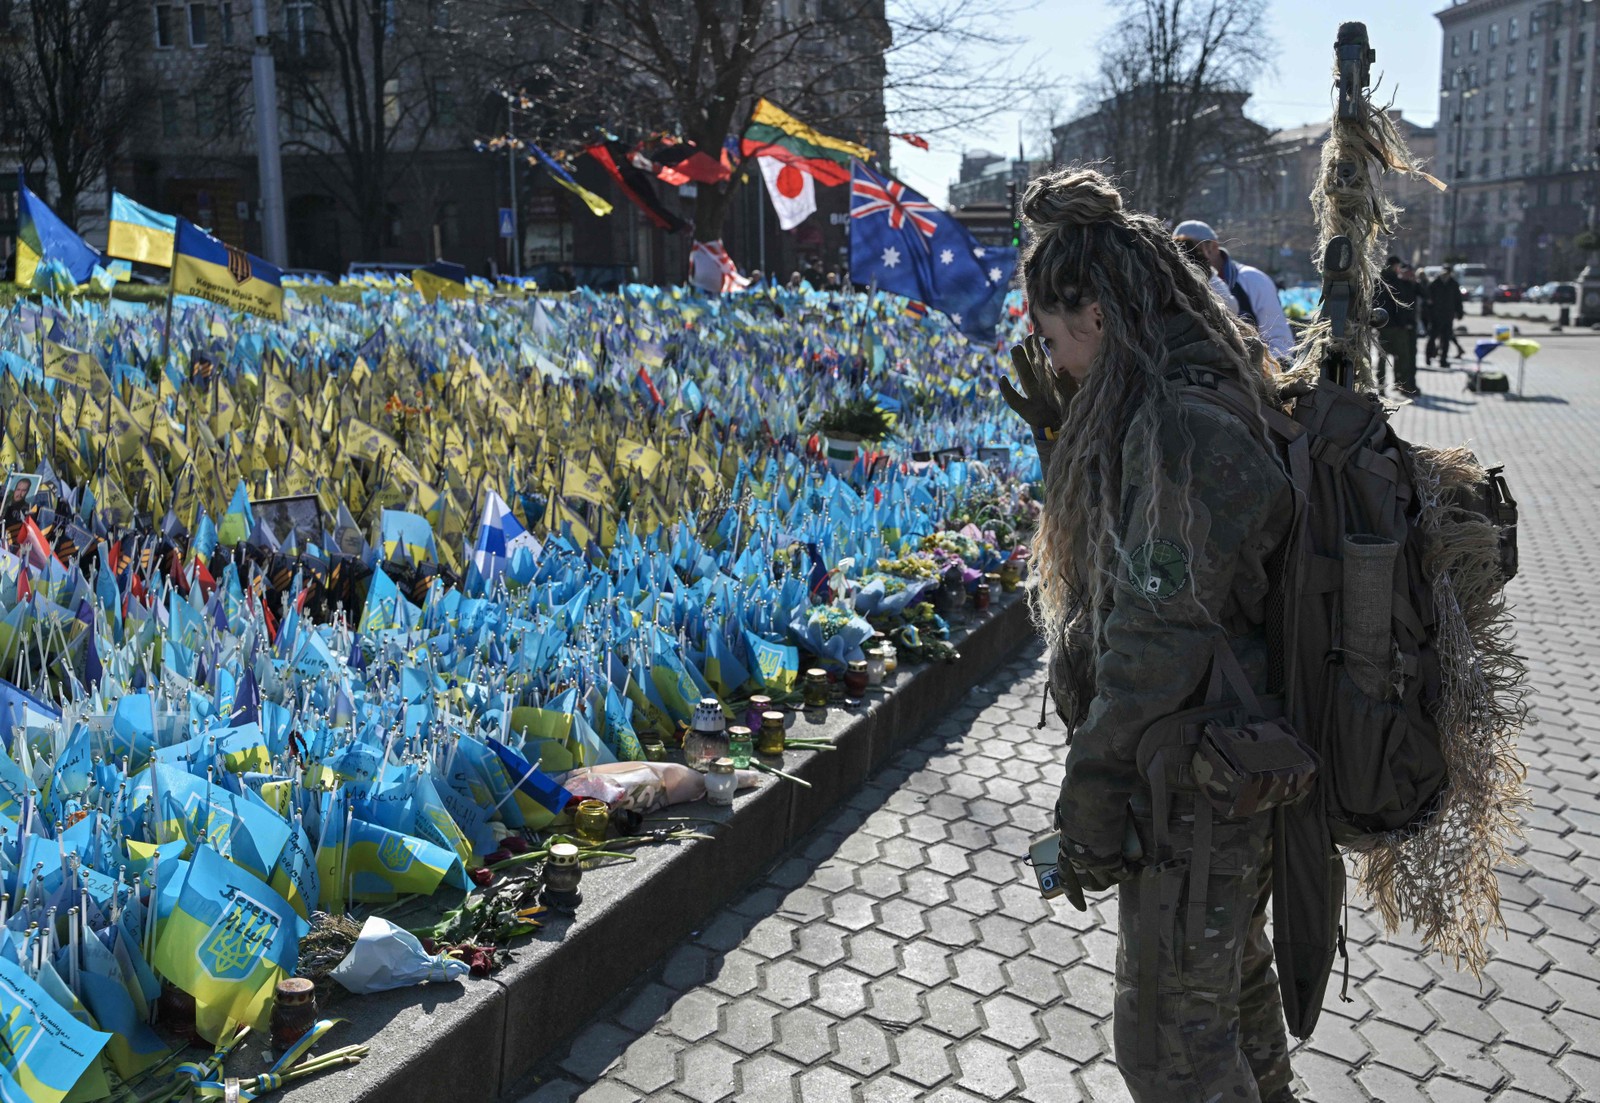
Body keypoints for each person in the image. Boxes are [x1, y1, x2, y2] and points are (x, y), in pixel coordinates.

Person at [1000, 168, 1297, 1102]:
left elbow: (1152, 643)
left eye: (1054, 337)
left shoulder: (1175, 424)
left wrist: (1088, 801)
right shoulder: (1185, 378)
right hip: (1231, 763)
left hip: (1199, 779)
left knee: (1171, 1044)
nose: (1052, 359)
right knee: (1233, 991)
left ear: (1094, 309)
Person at [1173, 219, 1295, 363]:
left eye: (1191, 250)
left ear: (1212, 247)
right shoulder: (1178, 286)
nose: (1186, 258)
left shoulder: (1253, 280)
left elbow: (1280, 340)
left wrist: (1262, 374)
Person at [1375, 256, 1420, 395]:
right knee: (1403, 356)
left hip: (1381, 325)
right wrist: (1405, 323)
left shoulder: (1378, 281)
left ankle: (1381, 387)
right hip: (1397, 327)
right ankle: (1403, 385)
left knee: (1382, 357)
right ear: (1395, 266)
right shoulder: (1396, 281)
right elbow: (1400, 305)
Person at [1423, 264, 1465, 367]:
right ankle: (1428, 357)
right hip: (1435, 316)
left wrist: (1459, 312)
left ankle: (1443, 360)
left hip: (1448, 316)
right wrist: (1428, 315)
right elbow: (1427, 300)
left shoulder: (1453, 284)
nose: (1446, 275)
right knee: (1432, 338)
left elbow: (1458, 300)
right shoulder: (1434, 283)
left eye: (1448, 273)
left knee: (1446, 339)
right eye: (1444, 273)